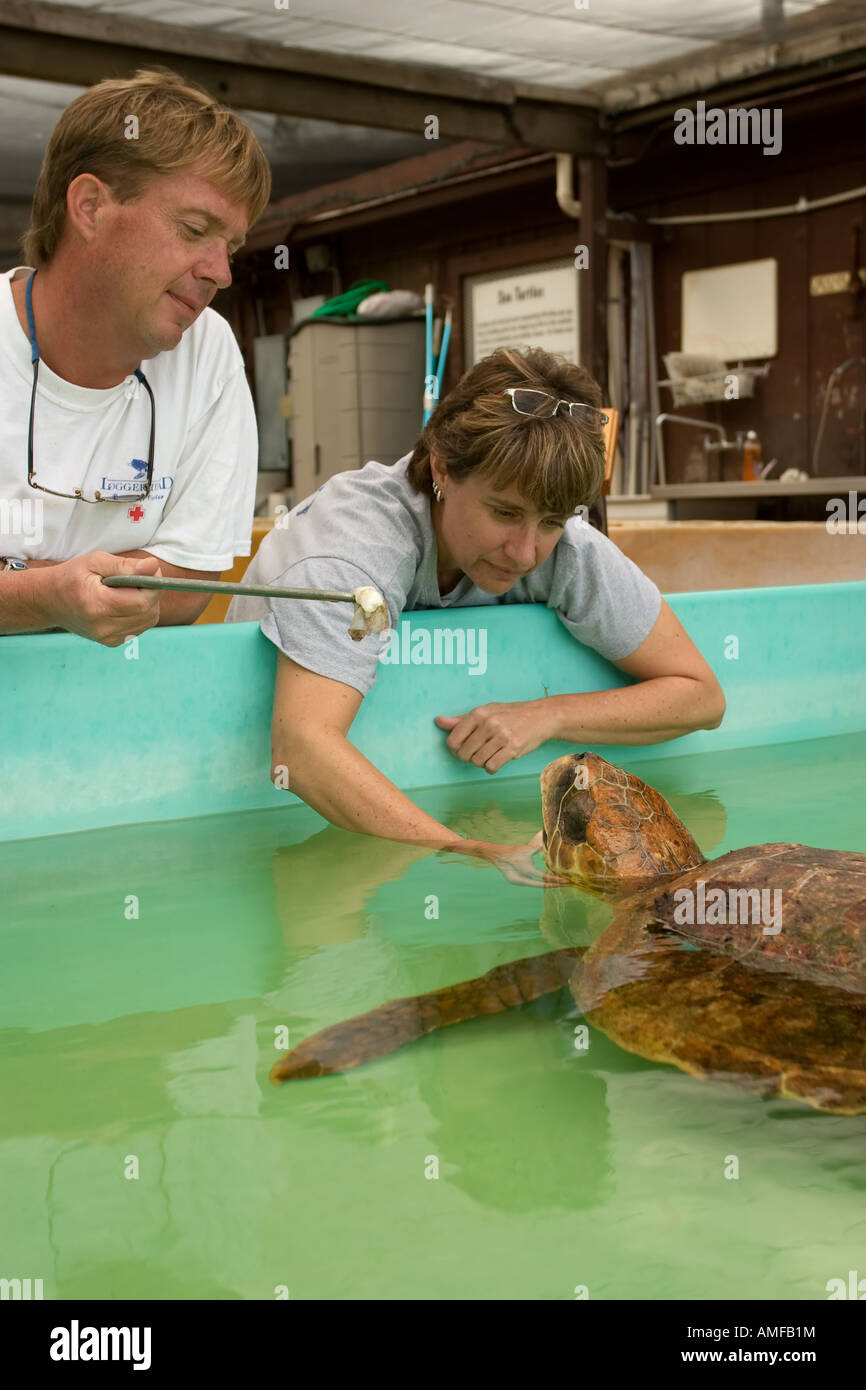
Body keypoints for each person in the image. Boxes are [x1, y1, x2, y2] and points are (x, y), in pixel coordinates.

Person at [226, 346, 726, 885]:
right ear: (441, 465)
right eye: (504, 513)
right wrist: (468, 848)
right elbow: (302, 750)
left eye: (551, 521)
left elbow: (701, 696)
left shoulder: (564, 549)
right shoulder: (354, 546)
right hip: (255, 812)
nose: (527, 553)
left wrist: (548, 715)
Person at [0, 68, 271, 644]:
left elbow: (196, 581)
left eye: (231, 247)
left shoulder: (209, 350)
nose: (220, 273)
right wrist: (46, 594)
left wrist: (20, 588)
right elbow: (162, 583)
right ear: (91, 207)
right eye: (195, 229)